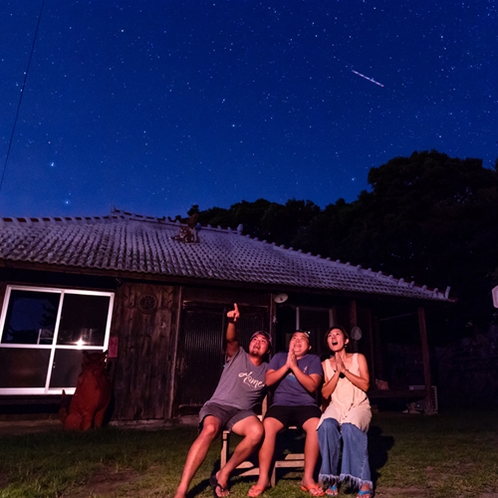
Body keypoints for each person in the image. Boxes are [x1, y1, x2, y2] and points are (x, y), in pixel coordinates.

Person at [174, 304, 271, 498]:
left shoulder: (269, 370)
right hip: (218, 405)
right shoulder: (238, 354)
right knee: (209, 430)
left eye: (263, 341)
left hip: (242, 412)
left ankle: (223, 473)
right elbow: (231, 338)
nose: (257, 343)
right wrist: (231, 322)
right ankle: (182, 490)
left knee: (257, 431)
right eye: (255, 339)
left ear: (268, 349)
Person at [248, 330, 324, 497]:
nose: (297, 340)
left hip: (306, 405)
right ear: (289, 344)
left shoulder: (313, 360)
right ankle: (263, 478)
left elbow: (312, 386)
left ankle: (308, 478)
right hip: (281, 404)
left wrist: (295, 367)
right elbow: (268, 381)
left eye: (302, 339)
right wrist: (287, 366)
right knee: (267, 425)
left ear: (309, 346)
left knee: (316, 426)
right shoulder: (279, 357)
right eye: (294, 338)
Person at [317, 326, 373, 498]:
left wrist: (345, 371)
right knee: (326, 425)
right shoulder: (325, 364)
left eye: (337, 334)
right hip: (337, 405)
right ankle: (331, 479)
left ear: (346, 341)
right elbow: (325, 393)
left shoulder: (358, 358)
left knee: (349, 427)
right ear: (328, 342)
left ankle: (363, 481)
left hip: (359, 405)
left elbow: (365, 385)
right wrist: (337, 373)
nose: (333, 337)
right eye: (330, 335)